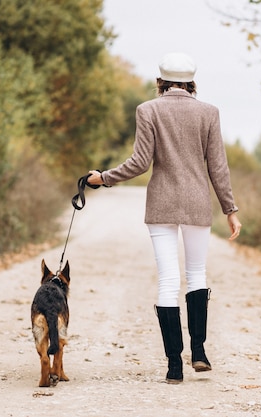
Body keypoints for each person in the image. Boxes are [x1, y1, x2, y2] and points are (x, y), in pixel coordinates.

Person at [87, 52, 241, 384]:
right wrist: (230, 209)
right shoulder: (209, 113)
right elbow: (218, 167)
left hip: (161, 203)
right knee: (196, 273)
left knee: (168, 280)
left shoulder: (148, 110)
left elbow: (140, 162)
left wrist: (104, 177)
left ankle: (174, 366)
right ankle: (198, 353)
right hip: (197, 202)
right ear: (191, 82)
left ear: (161, 81)